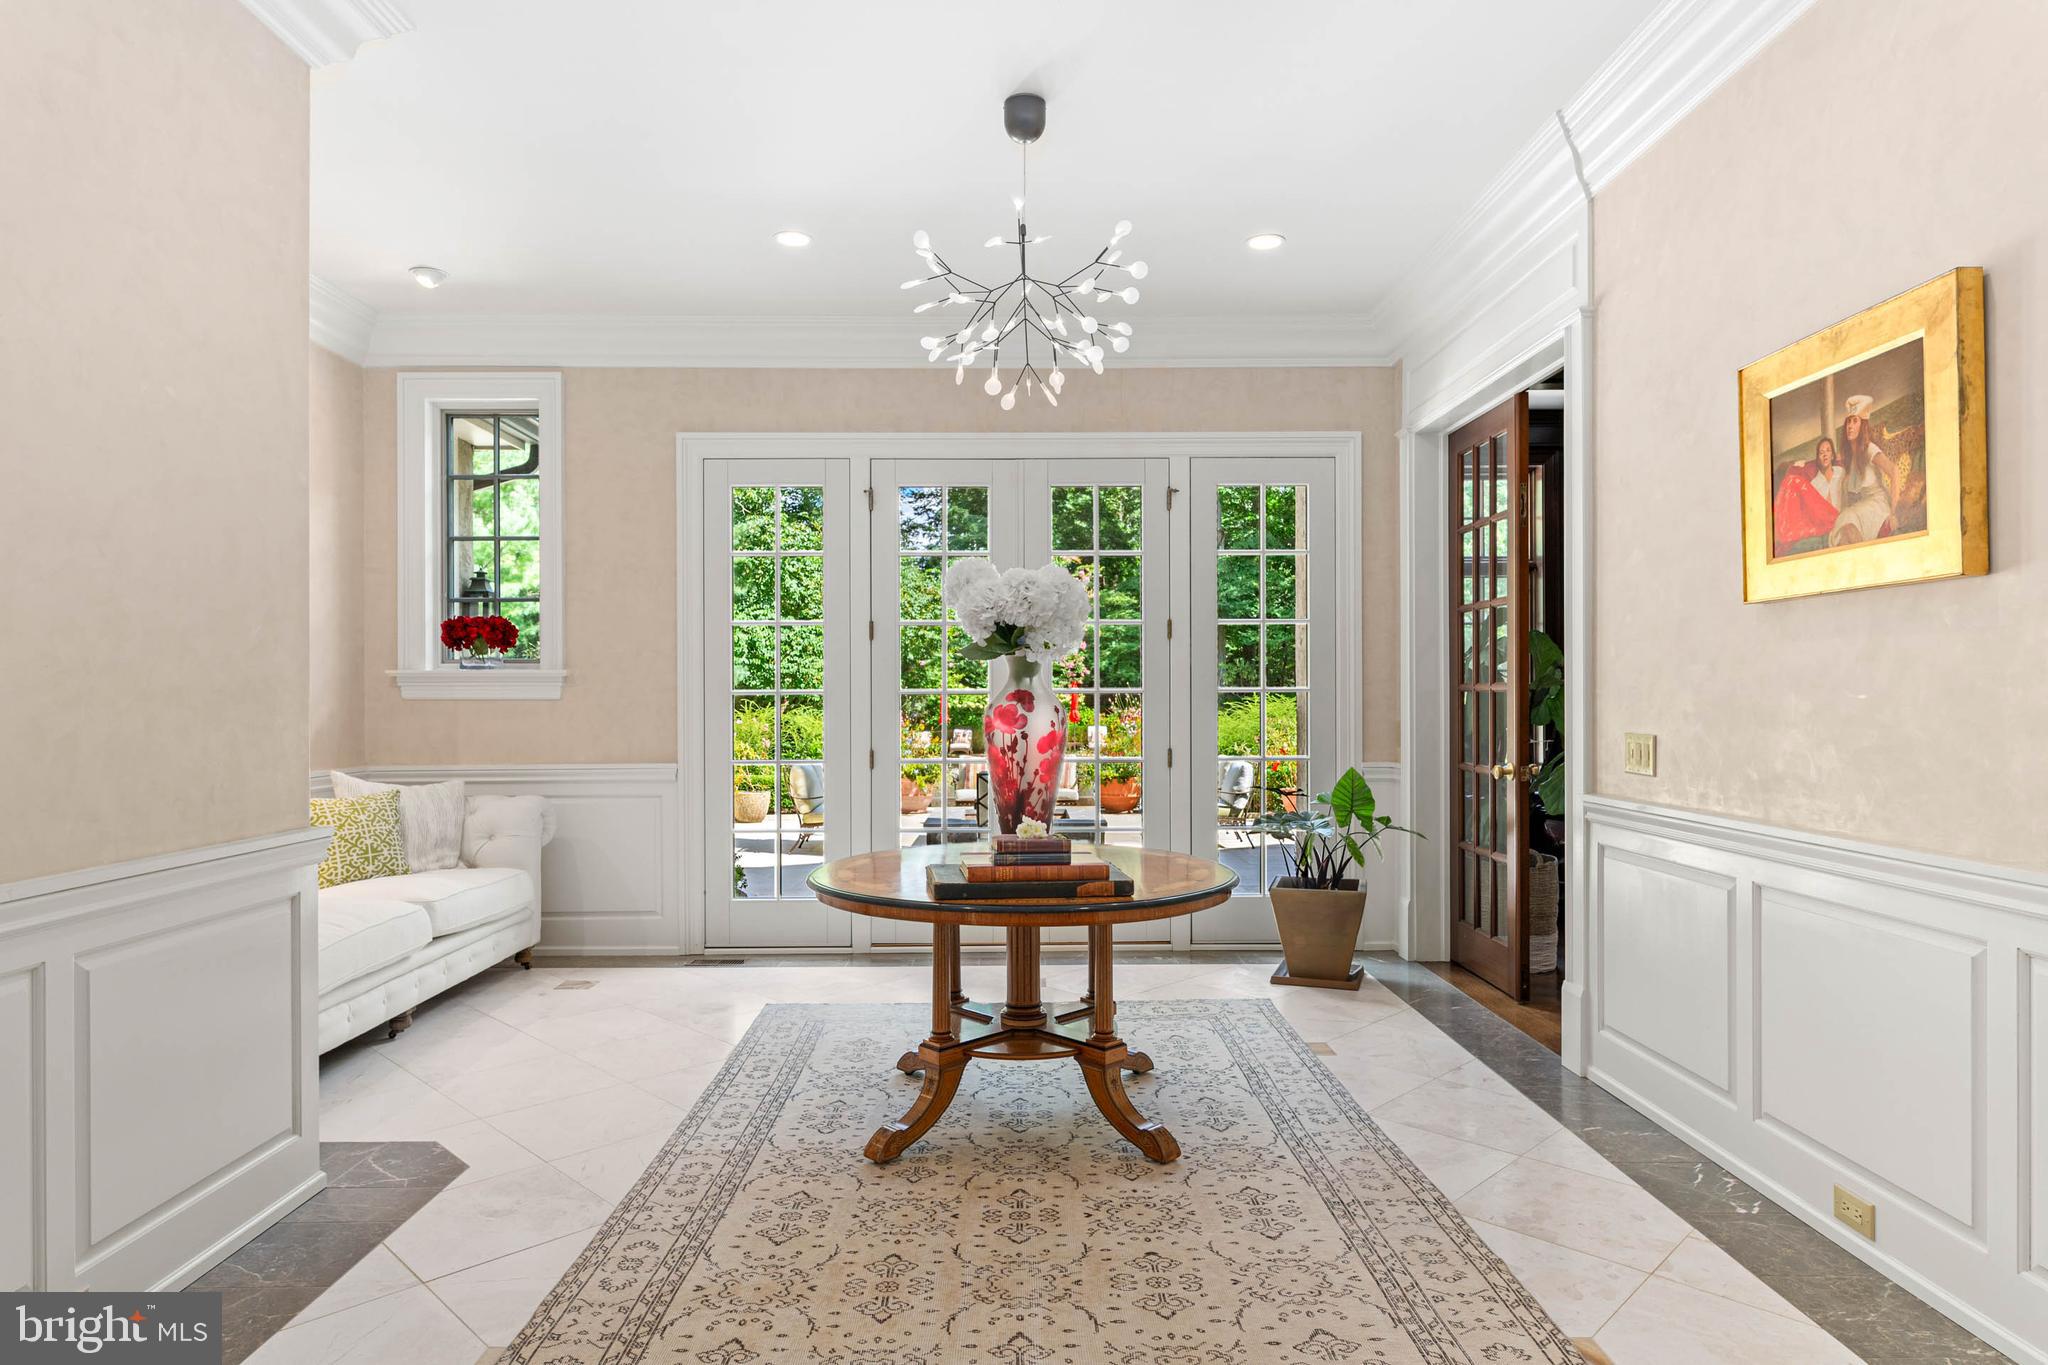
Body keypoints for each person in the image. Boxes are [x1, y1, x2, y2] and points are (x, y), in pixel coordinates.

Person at [1829, 395, 1897, 545]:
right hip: (1863, 507)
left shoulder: (1869, 449)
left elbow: (1894, 471)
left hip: (1877, 506)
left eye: (1855, 421)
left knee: (1847, 518)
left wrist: (1893, 512)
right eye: (1848, 422)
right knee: (1844, 521)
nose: (1850, 426)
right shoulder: (1849, 455)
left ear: (1863, 426)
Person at [1771, 436, 1846, 554]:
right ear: (1818, 458)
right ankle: (1777, 531)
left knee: (1793, 481)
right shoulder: (1815, 483)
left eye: (1828, 451)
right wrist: (1797, 466)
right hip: (1822, 521)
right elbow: (1812, 511)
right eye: (1821, 453)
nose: (1825, 454)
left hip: (1837, 517)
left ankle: (1777, 532)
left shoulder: (1841, 473)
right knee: (1791, 480)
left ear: (1832, 455)